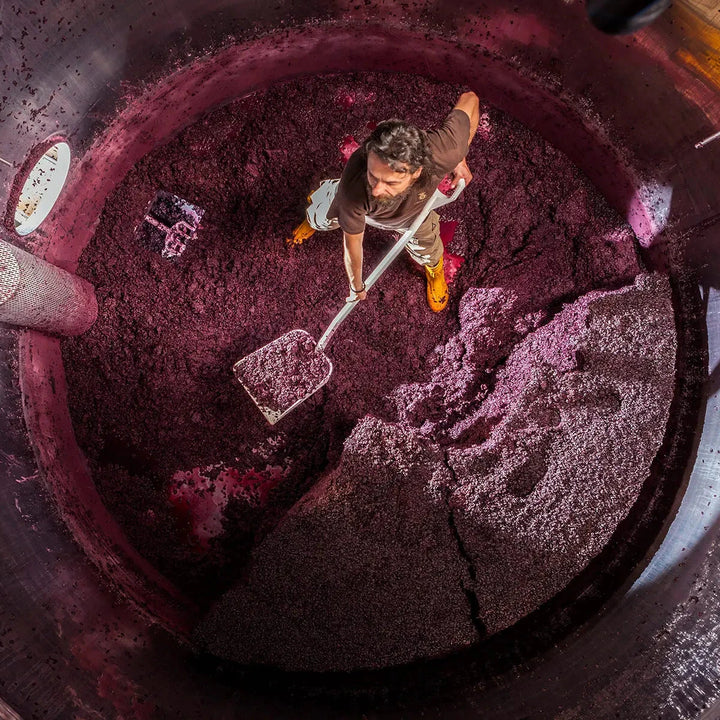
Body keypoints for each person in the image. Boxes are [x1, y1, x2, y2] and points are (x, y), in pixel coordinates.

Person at [289, 91, 480, 312]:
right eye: (373, 175)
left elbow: (470, 98)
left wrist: (460, 158)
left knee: (428, 249)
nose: (377, 189)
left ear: (416, 172)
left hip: (413, 216)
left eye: (390, 182)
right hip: (350, 201)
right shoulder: (355, 190)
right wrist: (356, 285)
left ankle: (434, 270)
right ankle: (313, 221)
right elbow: (353, 244)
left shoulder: (444, 151)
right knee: (320, 215)